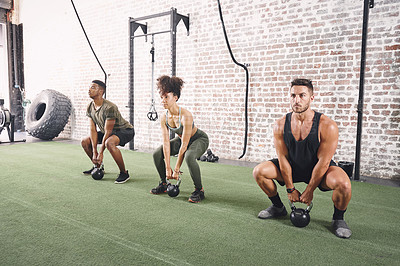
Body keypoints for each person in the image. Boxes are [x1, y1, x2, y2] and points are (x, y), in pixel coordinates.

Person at [253, 78, 352, 238]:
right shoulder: (280, 124)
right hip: (291, 167)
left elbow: (324, 162)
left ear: (311, 98)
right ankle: (278, 207)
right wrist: (290, 189)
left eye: (302, 95)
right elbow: (283, 158)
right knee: (259, 172)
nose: (296, 100)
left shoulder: (327, 125)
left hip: (319, 171)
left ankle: (338, 219)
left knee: (344, 183)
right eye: (293, 95)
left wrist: (309, 190)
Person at [151, 75, 209, 203]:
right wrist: (168, 168)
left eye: (167, 97)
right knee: (157, 153)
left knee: (189, 156)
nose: (163, 100)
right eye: (162, 97)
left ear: (175, 97)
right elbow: (166, 143)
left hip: (198, 139)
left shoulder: (185, 116)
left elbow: (185, 144)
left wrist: (176, 169)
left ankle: (199, 190)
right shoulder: (164, 117)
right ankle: (164, 184)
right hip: (182, 139)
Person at [81, 80, 135, 184]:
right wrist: (95, 152)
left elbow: (108, 131)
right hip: (108, 132)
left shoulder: (110, 107)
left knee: (109, 142)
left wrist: (101, 152)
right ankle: (98, 166)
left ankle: (124, 173)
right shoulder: (90, 106)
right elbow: (93, 130)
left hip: (125, 130)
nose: (89, 90)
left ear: (101, 91)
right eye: (89, 87)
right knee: (85, 142)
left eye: (92, 87)